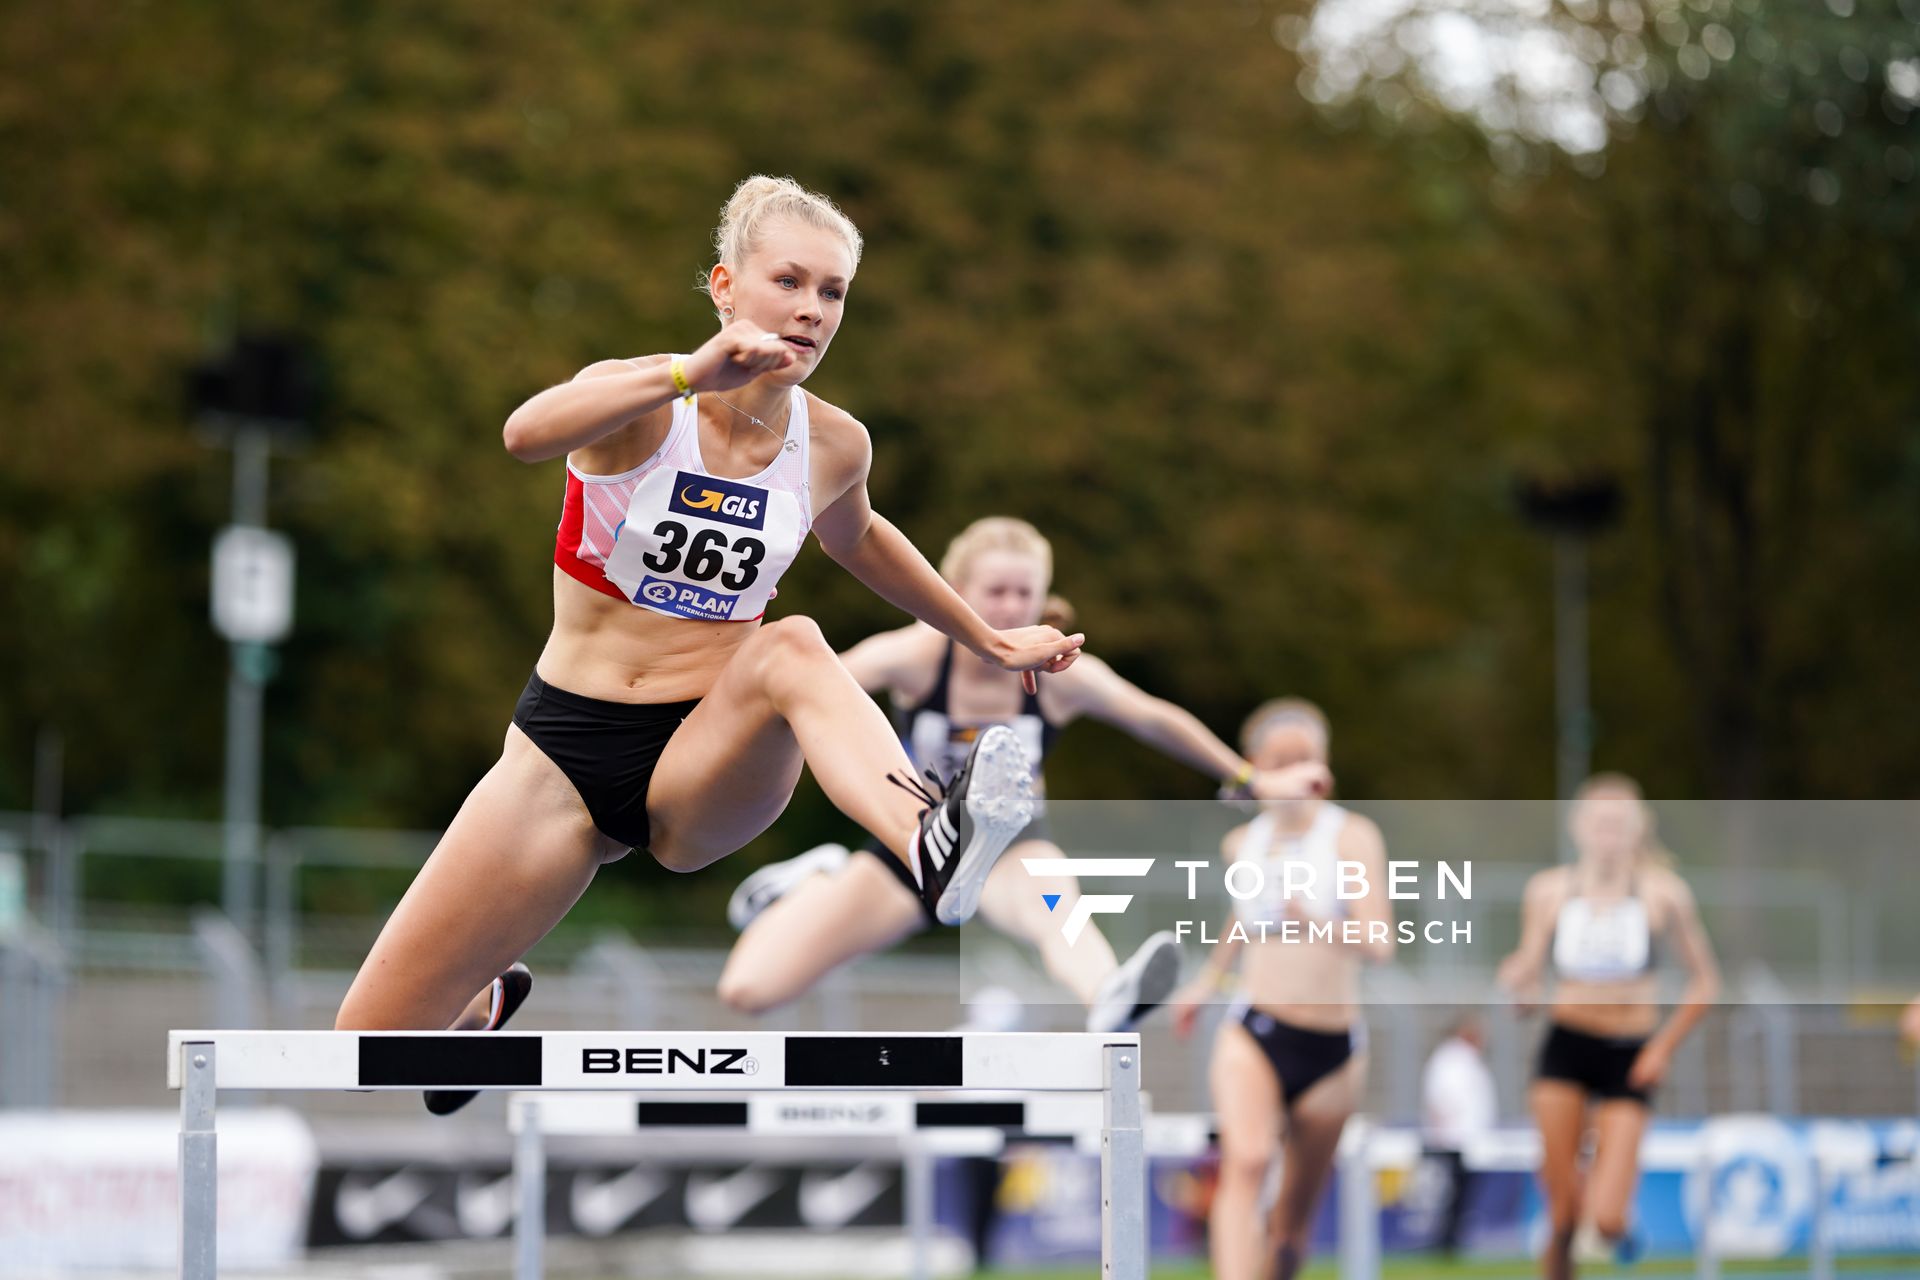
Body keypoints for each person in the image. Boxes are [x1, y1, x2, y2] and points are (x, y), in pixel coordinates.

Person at [332, 176, 1083, 1113]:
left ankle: (931, 839)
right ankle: (482, 1000)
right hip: (562, 755)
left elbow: (862, 539)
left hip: (706, 751)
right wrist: (692, 372)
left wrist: (986, 636)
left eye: (835, 292)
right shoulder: (644, 399)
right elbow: (524, 435)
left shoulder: (835, 446)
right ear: (727, 287)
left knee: (793, 643)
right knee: (362, 1048)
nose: (812, 310)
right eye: (791, 282)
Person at [715, 517, 1329, 1032]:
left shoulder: (1064, 673)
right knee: (748, 990)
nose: (1011, 607)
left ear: (1043, 598)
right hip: (913, 850)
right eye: (996, 592)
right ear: (951, 593)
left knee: (1056, 904)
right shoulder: (914, 655)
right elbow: (803, 691)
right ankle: (814, 880)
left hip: (1013, 853)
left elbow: (1153, 718)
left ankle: (1109, 994)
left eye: (1023, 593)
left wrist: (1249, 777)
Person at [1169, 699, 1390, 1280]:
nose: (1296, 771)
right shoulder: (1242, 845)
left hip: (1331, 1047)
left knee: (1291, 1230)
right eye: (1281, 760)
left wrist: (1311, 918)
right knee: (1247, 1160)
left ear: (1325, 767)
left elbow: (1380, 942)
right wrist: (1207, 982)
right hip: (1256, 1028)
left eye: (1307, 758)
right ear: (1256, 766)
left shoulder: (1352, 837)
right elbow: (1243, 918)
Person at [1497, 774, 1720, 1279]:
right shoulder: (1549, 890)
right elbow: (1529, 966)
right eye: (1599, 822)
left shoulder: (1665, 895)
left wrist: (1662, 1048)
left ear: (1638, 829)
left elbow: (1706, 981)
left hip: (1630, 1052)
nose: (1608, 833)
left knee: (1606, 1216)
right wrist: (1518, 981)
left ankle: (1620, 1227)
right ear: (1578, 827)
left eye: (1619, 823)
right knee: (1562, 1215)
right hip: (1566, 1045)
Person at [1421, 1011, 1498, 1257]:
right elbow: (1441, 1098)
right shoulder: (1450, 1058)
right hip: (1453, 1139)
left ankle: (1452, 1240)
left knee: (1461, 1195)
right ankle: (1444, 1242)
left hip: (1469, 1139)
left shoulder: (1467, 1059)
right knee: (1451, 1194)